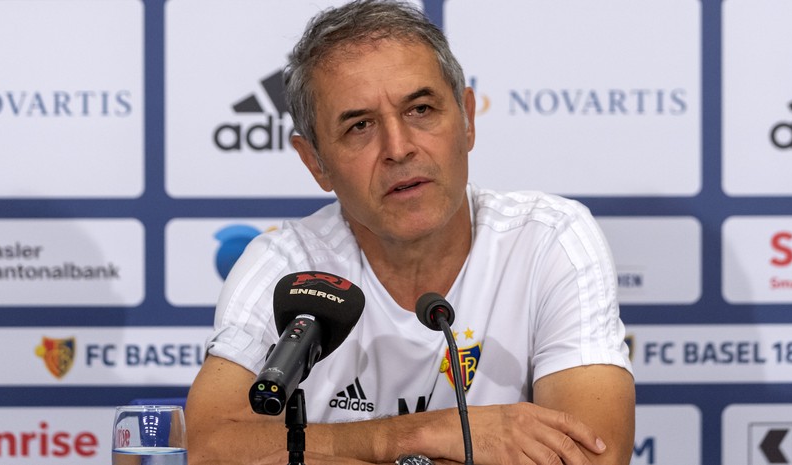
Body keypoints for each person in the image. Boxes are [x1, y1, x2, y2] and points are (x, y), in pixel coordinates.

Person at [186, 1, 635, 464]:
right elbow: (211, 448)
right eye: (360, 125)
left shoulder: (549, 240)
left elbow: (592, 455)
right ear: (315, 162)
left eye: (420, 109)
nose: (398, 148)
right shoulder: (285, 267)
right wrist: (427, 433)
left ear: (467, 118)